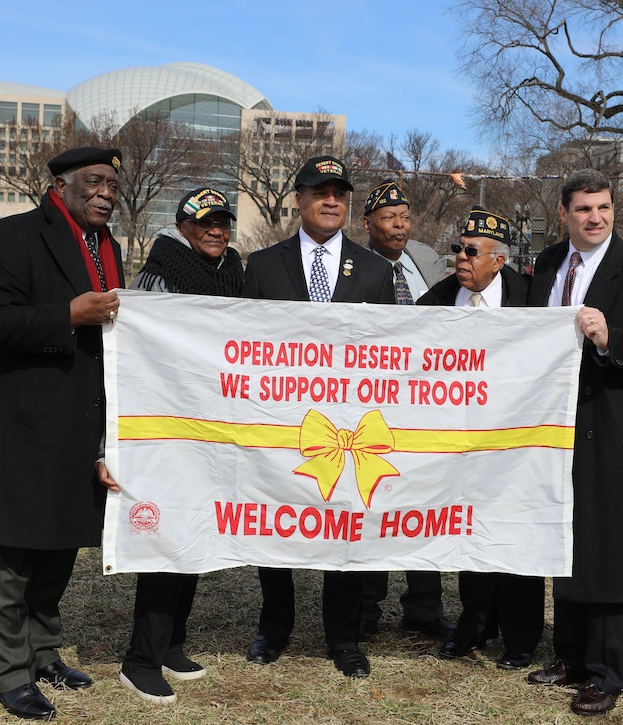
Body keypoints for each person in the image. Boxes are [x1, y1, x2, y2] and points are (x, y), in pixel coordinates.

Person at [0, 146, 125, 721]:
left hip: (80, 424)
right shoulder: (12, 235)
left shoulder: (110, 247)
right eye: (95, 181)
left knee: (58, 549)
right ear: (60, 183)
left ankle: (43, 652)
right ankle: (9, 674)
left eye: (113, 186)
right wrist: (67, 315)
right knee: (9, 558)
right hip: (20, 425)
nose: (106, 193)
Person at [524, 169, 623, 716]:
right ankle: (568, 654)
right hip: (554, 427)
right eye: (584, 209)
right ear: (564, 213)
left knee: (611, 551)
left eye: (605, 208)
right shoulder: (547, 265)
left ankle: (606, 672)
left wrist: (611, 337)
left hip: (615, 429)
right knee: (567, 541)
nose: (596, 217)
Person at [242, 155, 395, 679]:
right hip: (280, 419)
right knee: (275, 521)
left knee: (345, 525)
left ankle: (344, 637)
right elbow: (246, 346)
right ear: (299, 200)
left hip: (347, 426)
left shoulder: (376, 270)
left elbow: (389, 353)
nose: (332, 201)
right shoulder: (261, 266)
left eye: (340, 193)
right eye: (320, 191)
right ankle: (274, 628)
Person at [111, 188, 244, 704]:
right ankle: (140, 659)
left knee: (196, 532)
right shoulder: (161, 269)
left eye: (224, 222)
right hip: (169, 421)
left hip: (214, 419)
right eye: (207, 223)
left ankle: (171, 643)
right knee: (167, 538)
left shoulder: (233, 268)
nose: (218, 230)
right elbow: (142, 343)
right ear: (183, 226)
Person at [416, 207, 544, 671]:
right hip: (458, 441)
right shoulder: (434, 303)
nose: (461, 259)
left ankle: (521, 637)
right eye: (457, 250)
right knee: (468, 533)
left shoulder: (533, 302)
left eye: (472, 251)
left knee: (517, 535)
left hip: (517, 441)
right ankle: (474, 627)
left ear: (499, 260)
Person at [358, 180, 453, 641]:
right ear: (368, 224)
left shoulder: (426, 262)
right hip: (373, 407)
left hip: (427, 407)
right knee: (374, 504)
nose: (400, 225)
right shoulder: (352, 267)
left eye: (406, 217)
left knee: (425, 504)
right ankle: (366, 610)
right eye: (389, 217)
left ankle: (425, 606)